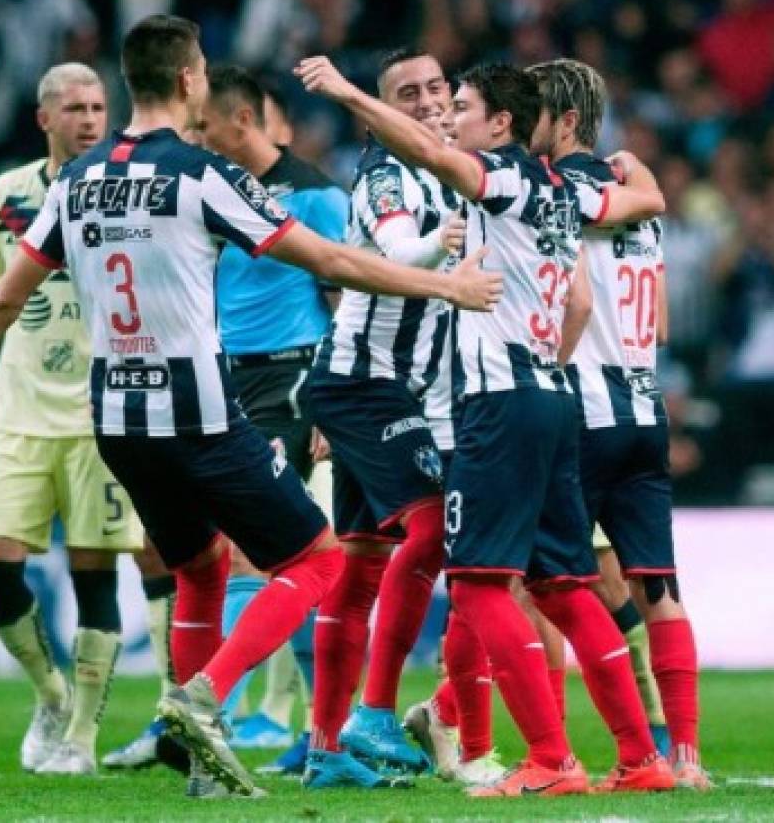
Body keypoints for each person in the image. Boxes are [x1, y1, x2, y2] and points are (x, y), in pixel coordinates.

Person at [0, 13, 501, 800]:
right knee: (316, 561)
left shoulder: (75, 181)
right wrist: (445, 284)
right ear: (188, 80)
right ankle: (203, 696)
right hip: (198, 413)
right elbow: (324, 258)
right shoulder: (198, 173)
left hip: (114, 418)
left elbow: (4, 298)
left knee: (199, 569)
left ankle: (203, 775)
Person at [297, 54, 675, 797]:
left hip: (497, 407)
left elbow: (429, 154)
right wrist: (642, 180)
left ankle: (551, 762)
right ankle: (640, 759)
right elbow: (602, 259)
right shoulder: (565, 192)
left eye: (462, 106)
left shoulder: (499, 179)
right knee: (567, 585)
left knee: (475, 586)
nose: (449, 118)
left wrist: (344, 92)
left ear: (500, 123)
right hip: (552, 398)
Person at [0, 62, 145, 776]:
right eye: (75, 108)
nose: (90, 119)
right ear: (45, 118)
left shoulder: (127, 187)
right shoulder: (9, 194)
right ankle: (51, 693)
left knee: (94, 572)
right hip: (17, 411)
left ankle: (81, 738)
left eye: (98, 107)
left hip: (101, 414)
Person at [532, 57, 709, 790]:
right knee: (657, 588)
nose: (517, 125)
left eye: (531, 112)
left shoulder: (562, 192)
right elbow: (659, 322)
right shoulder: (638, 207)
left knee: (547, 585)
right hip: (644, 408)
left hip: (583, 412)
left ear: (565, 121)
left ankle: (569, 753)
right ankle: (686, 757)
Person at [300, 47, 468, 790]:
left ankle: (324, 750)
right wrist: (447, 247)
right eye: (409, 92)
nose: (429, 100)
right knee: (433, 528)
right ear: (381, 107)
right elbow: (403, 251)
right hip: (361, 384)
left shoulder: (455, 168)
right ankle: (372, 713)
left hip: (397, 392)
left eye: (436, 87)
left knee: (362, 562)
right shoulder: (382, 174)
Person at [200, 64, 346, 764]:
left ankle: (211, 710)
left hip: (292, 378)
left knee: (272, 556)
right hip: (229, 381)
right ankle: (298, 726)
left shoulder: (316, 194)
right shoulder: (214, 192)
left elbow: (348, 297)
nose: (193, 135)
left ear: (239, 121)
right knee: (262, 556)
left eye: (202, 124)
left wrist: (330, 398)